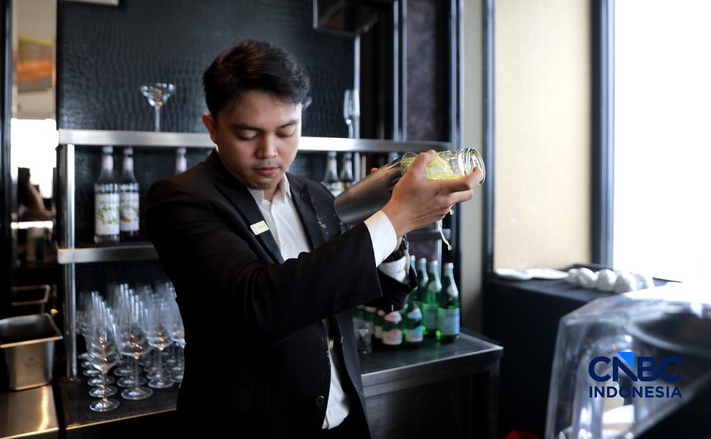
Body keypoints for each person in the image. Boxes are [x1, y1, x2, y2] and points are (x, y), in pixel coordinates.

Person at [145, 40, 483, 438]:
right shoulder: (181, 199)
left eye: (286, 131)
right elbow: (258, 305)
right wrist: (396, 217)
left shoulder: (316, 195)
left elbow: (386, 295)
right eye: (247, 134)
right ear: (212, 127)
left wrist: (393, 225)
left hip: (343, 420)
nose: (269, 152)